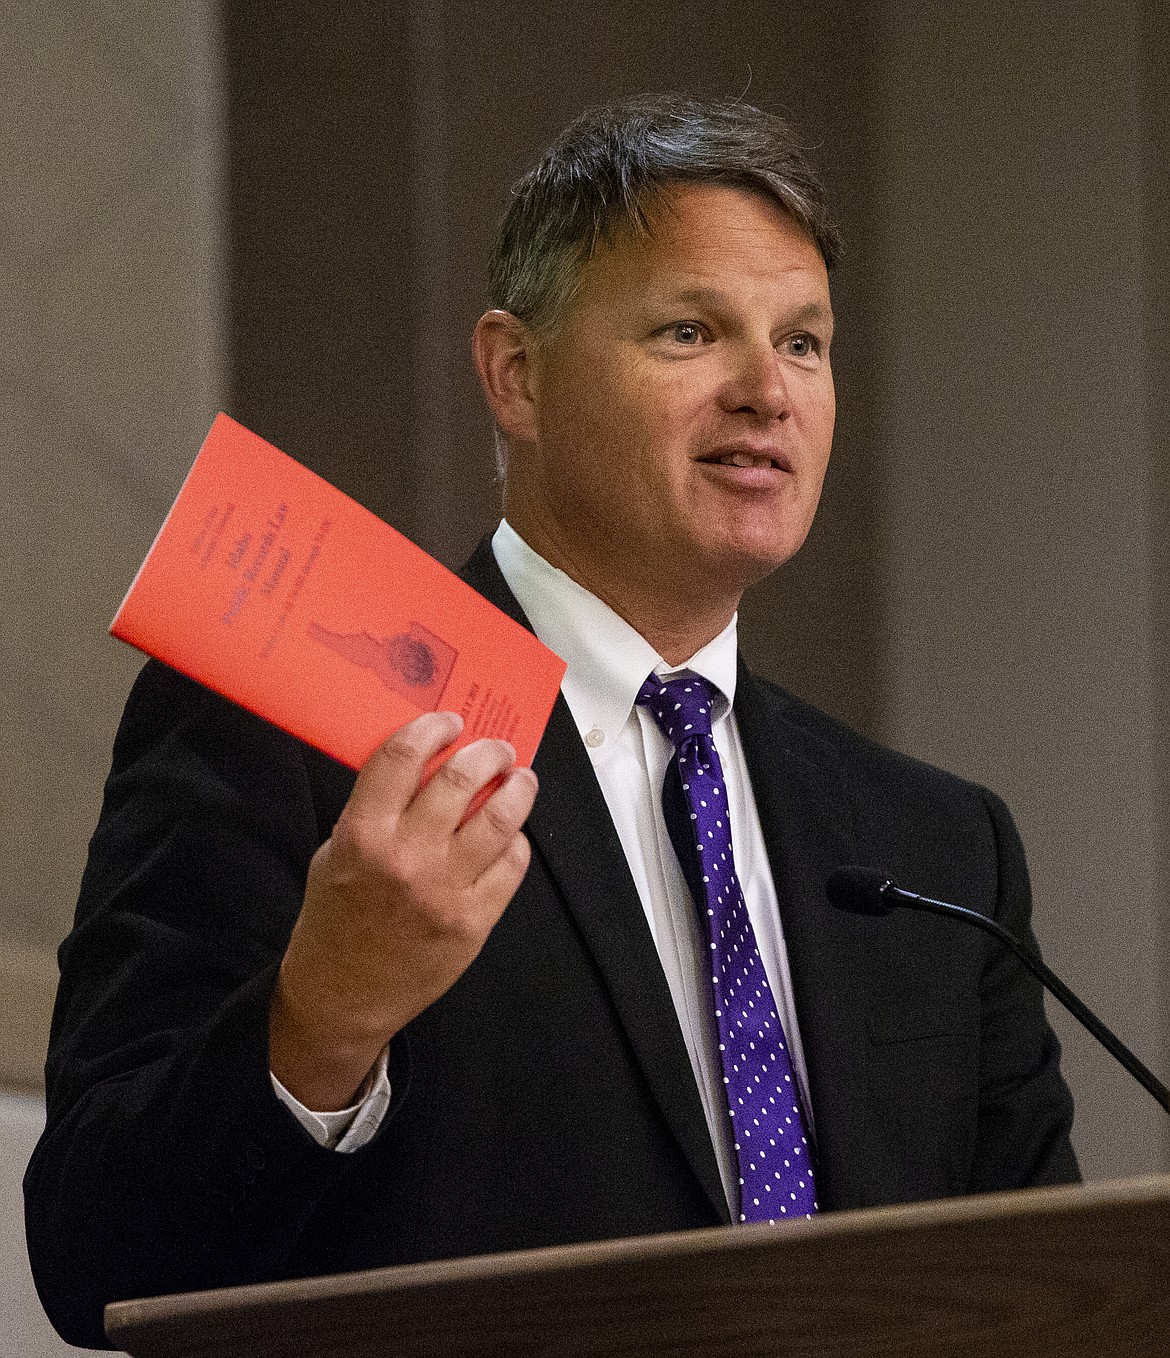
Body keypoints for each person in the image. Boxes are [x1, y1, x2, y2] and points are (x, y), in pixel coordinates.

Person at [25, 94, 1078, 1350]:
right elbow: (94, 1256)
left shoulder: (940, 846)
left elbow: (1056, 1291)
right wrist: (321, 1021)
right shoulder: (292, 721)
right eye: (692, 330)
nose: (766, 391)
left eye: (804, 342)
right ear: (515, 375)